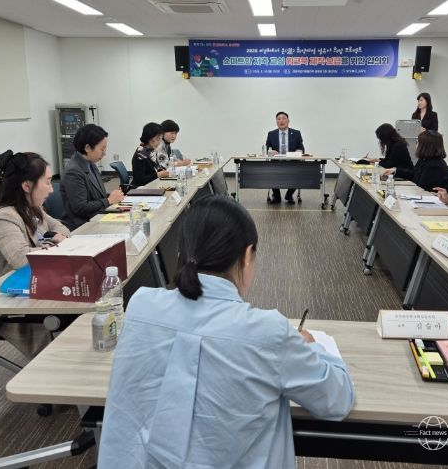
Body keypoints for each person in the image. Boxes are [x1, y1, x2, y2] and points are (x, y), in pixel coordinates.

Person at [98, 196, 354, 469]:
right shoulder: (268, 333)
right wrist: (312, 347)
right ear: (247, 255)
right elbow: (337, 399)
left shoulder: (141, 305)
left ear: (180, 253)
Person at [0, 150, 70, 357]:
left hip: (27, 283)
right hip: (0, 298)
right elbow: (22, 259)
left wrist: (54, 238)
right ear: (27, 186)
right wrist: (53, 243)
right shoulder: (4, 217)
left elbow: (62, 229)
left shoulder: (32, 207)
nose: (51, 189)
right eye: (47, 182)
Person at [60, 124, 124, 230]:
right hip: (81, 225)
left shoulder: (90, 164)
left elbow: (96, 197)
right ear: (88, 148)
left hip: (96, 217)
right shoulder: (73, 171)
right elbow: (81, 208)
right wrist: (109, 200)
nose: (104, 153)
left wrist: (113, 196)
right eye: (102, 149)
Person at [382, 130, 448, 192]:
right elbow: (414, 173)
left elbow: (422, 187)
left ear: (425, 145)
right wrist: (395, 170)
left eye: (418, 142)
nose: (416, 143)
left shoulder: (434, 165)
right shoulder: (425, 159)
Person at [265, 111, 305, 204]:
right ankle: (277, 196)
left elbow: (301, 148)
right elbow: (267, 148)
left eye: (283, 118)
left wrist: (299, 151)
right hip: (276, 162)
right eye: (278, 119)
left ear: (288, 121)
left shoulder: (296, 133)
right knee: (270, 171)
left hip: (292, 162)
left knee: (299, 171)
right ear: (276, 122)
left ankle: (289, 195)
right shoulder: (271, 134)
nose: (281, 121)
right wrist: (270, 151)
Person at [132, 122, 170, 187]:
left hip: (150, 185)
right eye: (157, 139)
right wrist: (158, 174)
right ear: (149, 138)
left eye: (160, 139)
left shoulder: (149, 151)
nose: (159, 142)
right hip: (141, 189)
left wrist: (161, 171)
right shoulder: (141, 154)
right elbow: (140, 181)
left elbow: (151, 170)